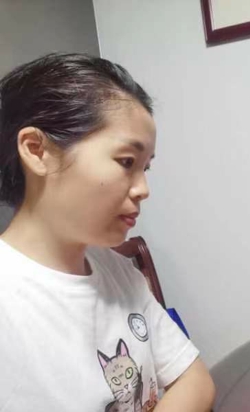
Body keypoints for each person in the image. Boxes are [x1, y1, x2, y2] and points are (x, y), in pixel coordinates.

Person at [0, 53, 215, 411]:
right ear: (37, 151)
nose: (143, 189)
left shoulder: (117, 271)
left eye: (145, 168)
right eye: (127, 162)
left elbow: (195, 380)